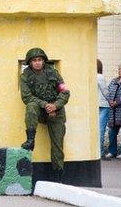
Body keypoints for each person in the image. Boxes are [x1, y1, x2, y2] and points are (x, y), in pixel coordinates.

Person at [20, 48, 70, 182]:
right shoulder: (25, 76)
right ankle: (30, 139)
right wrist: (46, 105)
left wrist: (55, 105)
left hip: (56, 112)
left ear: (44, 61)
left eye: (40, 60)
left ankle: (58, 176)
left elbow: (65, 91)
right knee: (31, 106)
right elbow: (26, 97)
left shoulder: (53, 73)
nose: (37, 63)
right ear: (30, 63)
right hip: (40, 111)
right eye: (34, 60)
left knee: (57, 145)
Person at [96, 59, 110, 157]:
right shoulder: (99, 76)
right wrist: (110, 100)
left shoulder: (88, 75)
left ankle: (96, 152)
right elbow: (105, 91)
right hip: (103, 105)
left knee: (96, 129)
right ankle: (100, 152)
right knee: (101, 129)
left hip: (95, 105)